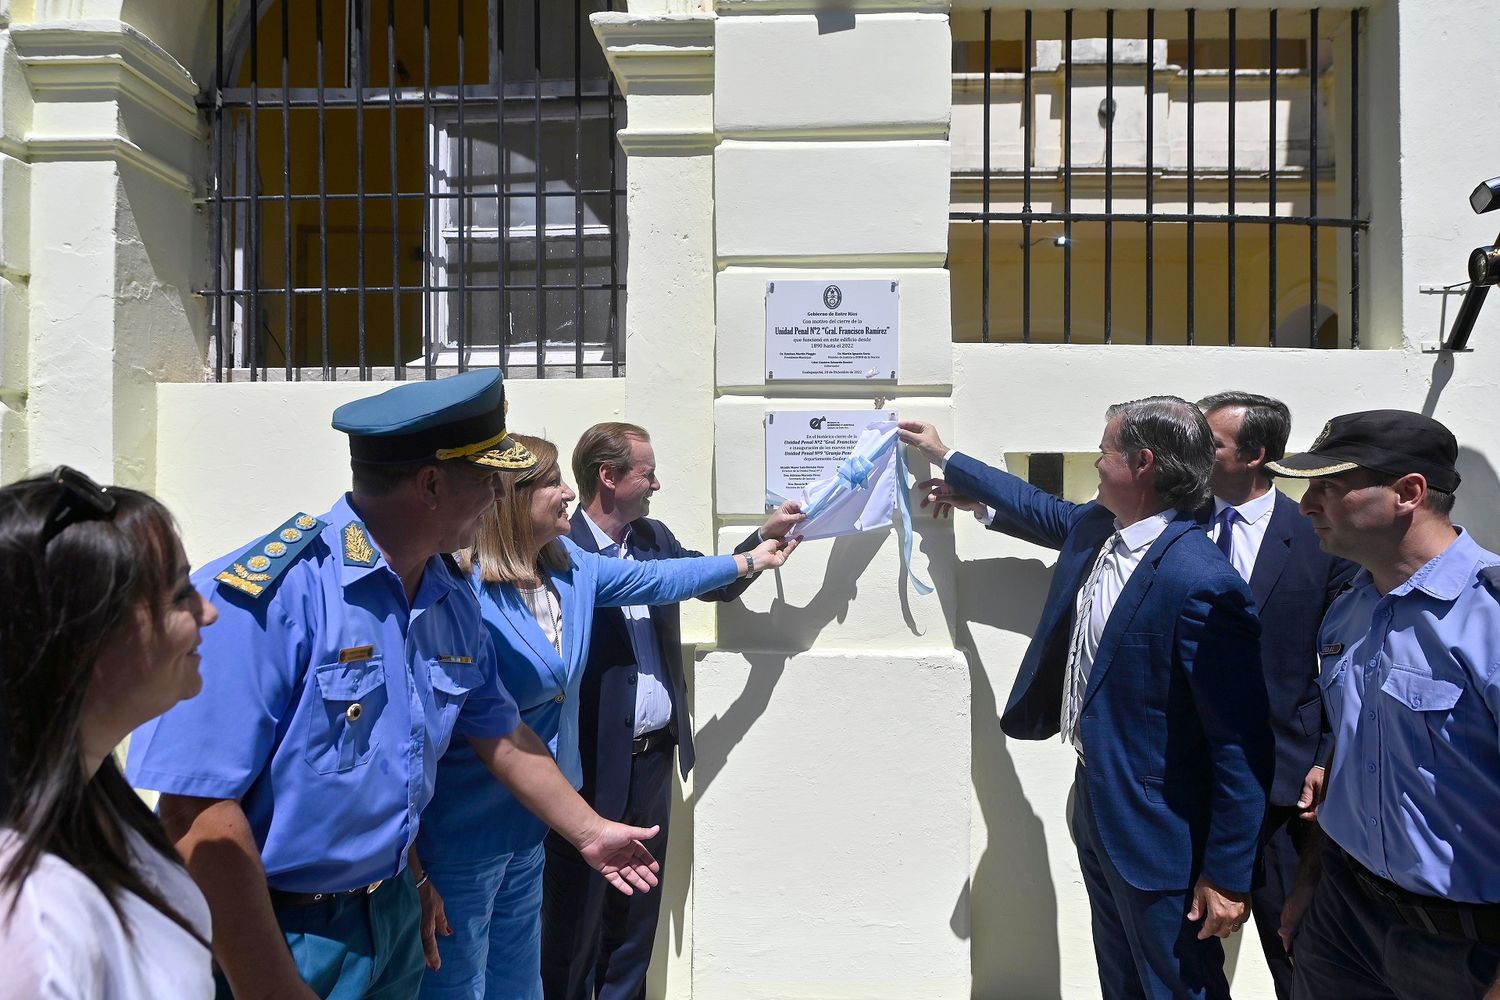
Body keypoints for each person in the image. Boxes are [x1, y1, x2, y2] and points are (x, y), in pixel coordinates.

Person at [126, 371, 662, 1000]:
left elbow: (495, 729)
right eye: (490, 481)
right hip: (280, 931)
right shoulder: (266, 599)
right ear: (431, 485)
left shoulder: (448, 594)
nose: (501, 497)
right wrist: (267, 982)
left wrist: (589, 831)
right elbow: (194, 811)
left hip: (394, 913)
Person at [900, 398, 1272, 1000]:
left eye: (1104, 450)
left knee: (1177, 986)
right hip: (1097, 804)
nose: (1096, 462)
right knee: (1120, 979)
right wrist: (946, 457)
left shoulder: (1200, 581)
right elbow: (1037, 508)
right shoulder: (1101, 527)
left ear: (1143, 463)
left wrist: (1228, 876)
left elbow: (1240, 743)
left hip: (1160, 830)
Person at [415, 433, 796, 999]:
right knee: (460, 979)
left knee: (519, 981)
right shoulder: (460, 587)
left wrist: (748, 558)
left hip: (539, 819)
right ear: (512, 500)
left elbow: (662, 577)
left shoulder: (573, 569)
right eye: (551, 484)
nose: (567, 491)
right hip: (468, 825)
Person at [540, 422, 803, 1000]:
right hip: (588, 766)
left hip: (653, 761)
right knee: (576, 923)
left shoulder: (653, 537)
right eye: (646, 472)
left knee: (636, 918)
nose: (656, 483)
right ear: (608, 477)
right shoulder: (563, 551)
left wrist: (762, 539)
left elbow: (704, 580)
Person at [1266, 410, 1500, 999]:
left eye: (1329, 487)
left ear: (1408, 493)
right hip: (1344, 915)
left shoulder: (1490, 620)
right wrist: (1312, 879)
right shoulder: (1351, 607)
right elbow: (1351, 759)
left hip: (1463, 949)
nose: (1306, 505)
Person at [0, 467, 217, 999]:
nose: (207, 613)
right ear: (86, 637)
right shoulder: (31, 919)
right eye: (180, 595)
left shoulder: (100, 812)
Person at [1194, 391, 1356, 999]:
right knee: (1184, 958)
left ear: (1256, 454)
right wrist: (977, 491)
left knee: (1299, 958)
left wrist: (1328, 756)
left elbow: (1348, 661)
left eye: (1211, 443)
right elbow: (1071, 521)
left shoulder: (1320, 541)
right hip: (1189, 783)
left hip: (1283, 794)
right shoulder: (1176, 523)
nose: (1196, 453)